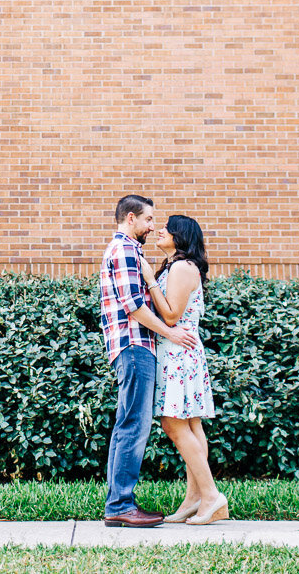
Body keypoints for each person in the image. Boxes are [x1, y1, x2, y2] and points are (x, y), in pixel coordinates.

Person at [99, 194, 198, 527]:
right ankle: (121, 506)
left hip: (131, 347)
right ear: (131, 218)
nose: (153, 226)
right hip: (134, 346)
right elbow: (134, 307)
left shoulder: (127, 250)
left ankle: (118, 503)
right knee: (134, 425)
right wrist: (170, 334)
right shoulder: (125, 250)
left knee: (127, 423)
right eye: (149, 220)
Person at [140, 214, 228, 524]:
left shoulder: (180, 267)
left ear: (181, 236)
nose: (160, 230)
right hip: (183, 353)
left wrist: (150, 280)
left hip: (178, 353)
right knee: (191, 425)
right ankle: (196, 497)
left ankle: (211, 495)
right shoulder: (182, 267)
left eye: (167, 228)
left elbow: (172, 316)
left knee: (174, 424)